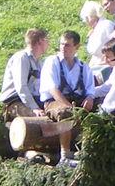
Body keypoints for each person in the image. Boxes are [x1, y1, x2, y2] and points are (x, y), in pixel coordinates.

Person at [40, 30, 95, 166]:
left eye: (67, 45)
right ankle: (64, 155)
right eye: (62, 44)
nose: (63, 48)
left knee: (98, 112)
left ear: (76, 47)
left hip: (76, 101)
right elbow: (53, 89)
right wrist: (69, 107)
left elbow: (90, 89)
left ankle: (85, 150)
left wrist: (90, 98)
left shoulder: (83, 66)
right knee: (65, 113)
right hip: (54, 102)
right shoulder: (52, 62)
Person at [0, 28, 49, 122]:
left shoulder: (39, 62)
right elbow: (21, 87)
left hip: (32, 99)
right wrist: (34, 108)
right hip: (15, 101)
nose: (47, 44)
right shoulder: (22, 58)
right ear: (40, 41)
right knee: (36, 120)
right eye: (46, 41)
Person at [79, 0, 115, 67]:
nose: (86, 22)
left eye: (87, 18)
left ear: (93, 16)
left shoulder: (104, 26)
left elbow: (95, 50)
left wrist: (89, 39)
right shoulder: (100, 26)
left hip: (106, 62)